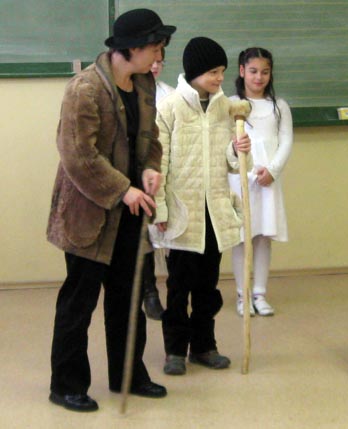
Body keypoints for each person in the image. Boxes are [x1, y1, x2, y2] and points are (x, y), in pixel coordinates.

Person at [46, 9, 176, 412]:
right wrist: (123, 190)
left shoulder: (143, 84)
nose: (159, 55)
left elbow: (151, 138)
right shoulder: (85, 89)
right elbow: (78, 155)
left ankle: (129, 374)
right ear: (132, 48)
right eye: (155, 47)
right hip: (88, 214)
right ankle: (66, 385)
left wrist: (150, 167)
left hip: (129, 213)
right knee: (79, 303)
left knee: (126, 298)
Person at [149, 36, 251, 376]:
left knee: (208, 286)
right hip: (182, 212)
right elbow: (158, 163)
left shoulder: (226, 109)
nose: (219, 78)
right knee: (179, 286)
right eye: (212, 72)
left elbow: (233, 164)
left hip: (214, 212)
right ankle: (175, 350)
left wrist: (238, 150)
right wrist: (159, 209)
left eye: (222, 71)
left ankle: (204, 346)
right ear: (194, 72)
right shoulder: (170, 107)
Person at [229, 47, 293, 317]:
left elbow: (286, 141)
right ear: (242, 71)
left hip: (268, 180)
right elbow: (226, 142)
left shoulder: (279, 106)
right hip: (240, 178)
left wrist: (273, 171)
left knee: (264, 236)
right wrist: (241, 160)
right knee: (242, 237)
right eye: (253, 71)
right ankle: (242, 295)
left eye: (265, 72)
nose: (259, 77)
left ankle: (260, 293)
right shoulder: (231, 104)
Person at [142, 46, 174, 320]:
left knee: (165, 231)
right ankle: (149, 292)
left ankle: (172, 292)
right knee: (141, 236)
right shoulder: (126, 90)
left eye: (160, 62)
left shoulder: (170, 95)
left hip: (161, 170)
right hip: (134, 172)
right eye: (151, 61)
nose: (155, 66)